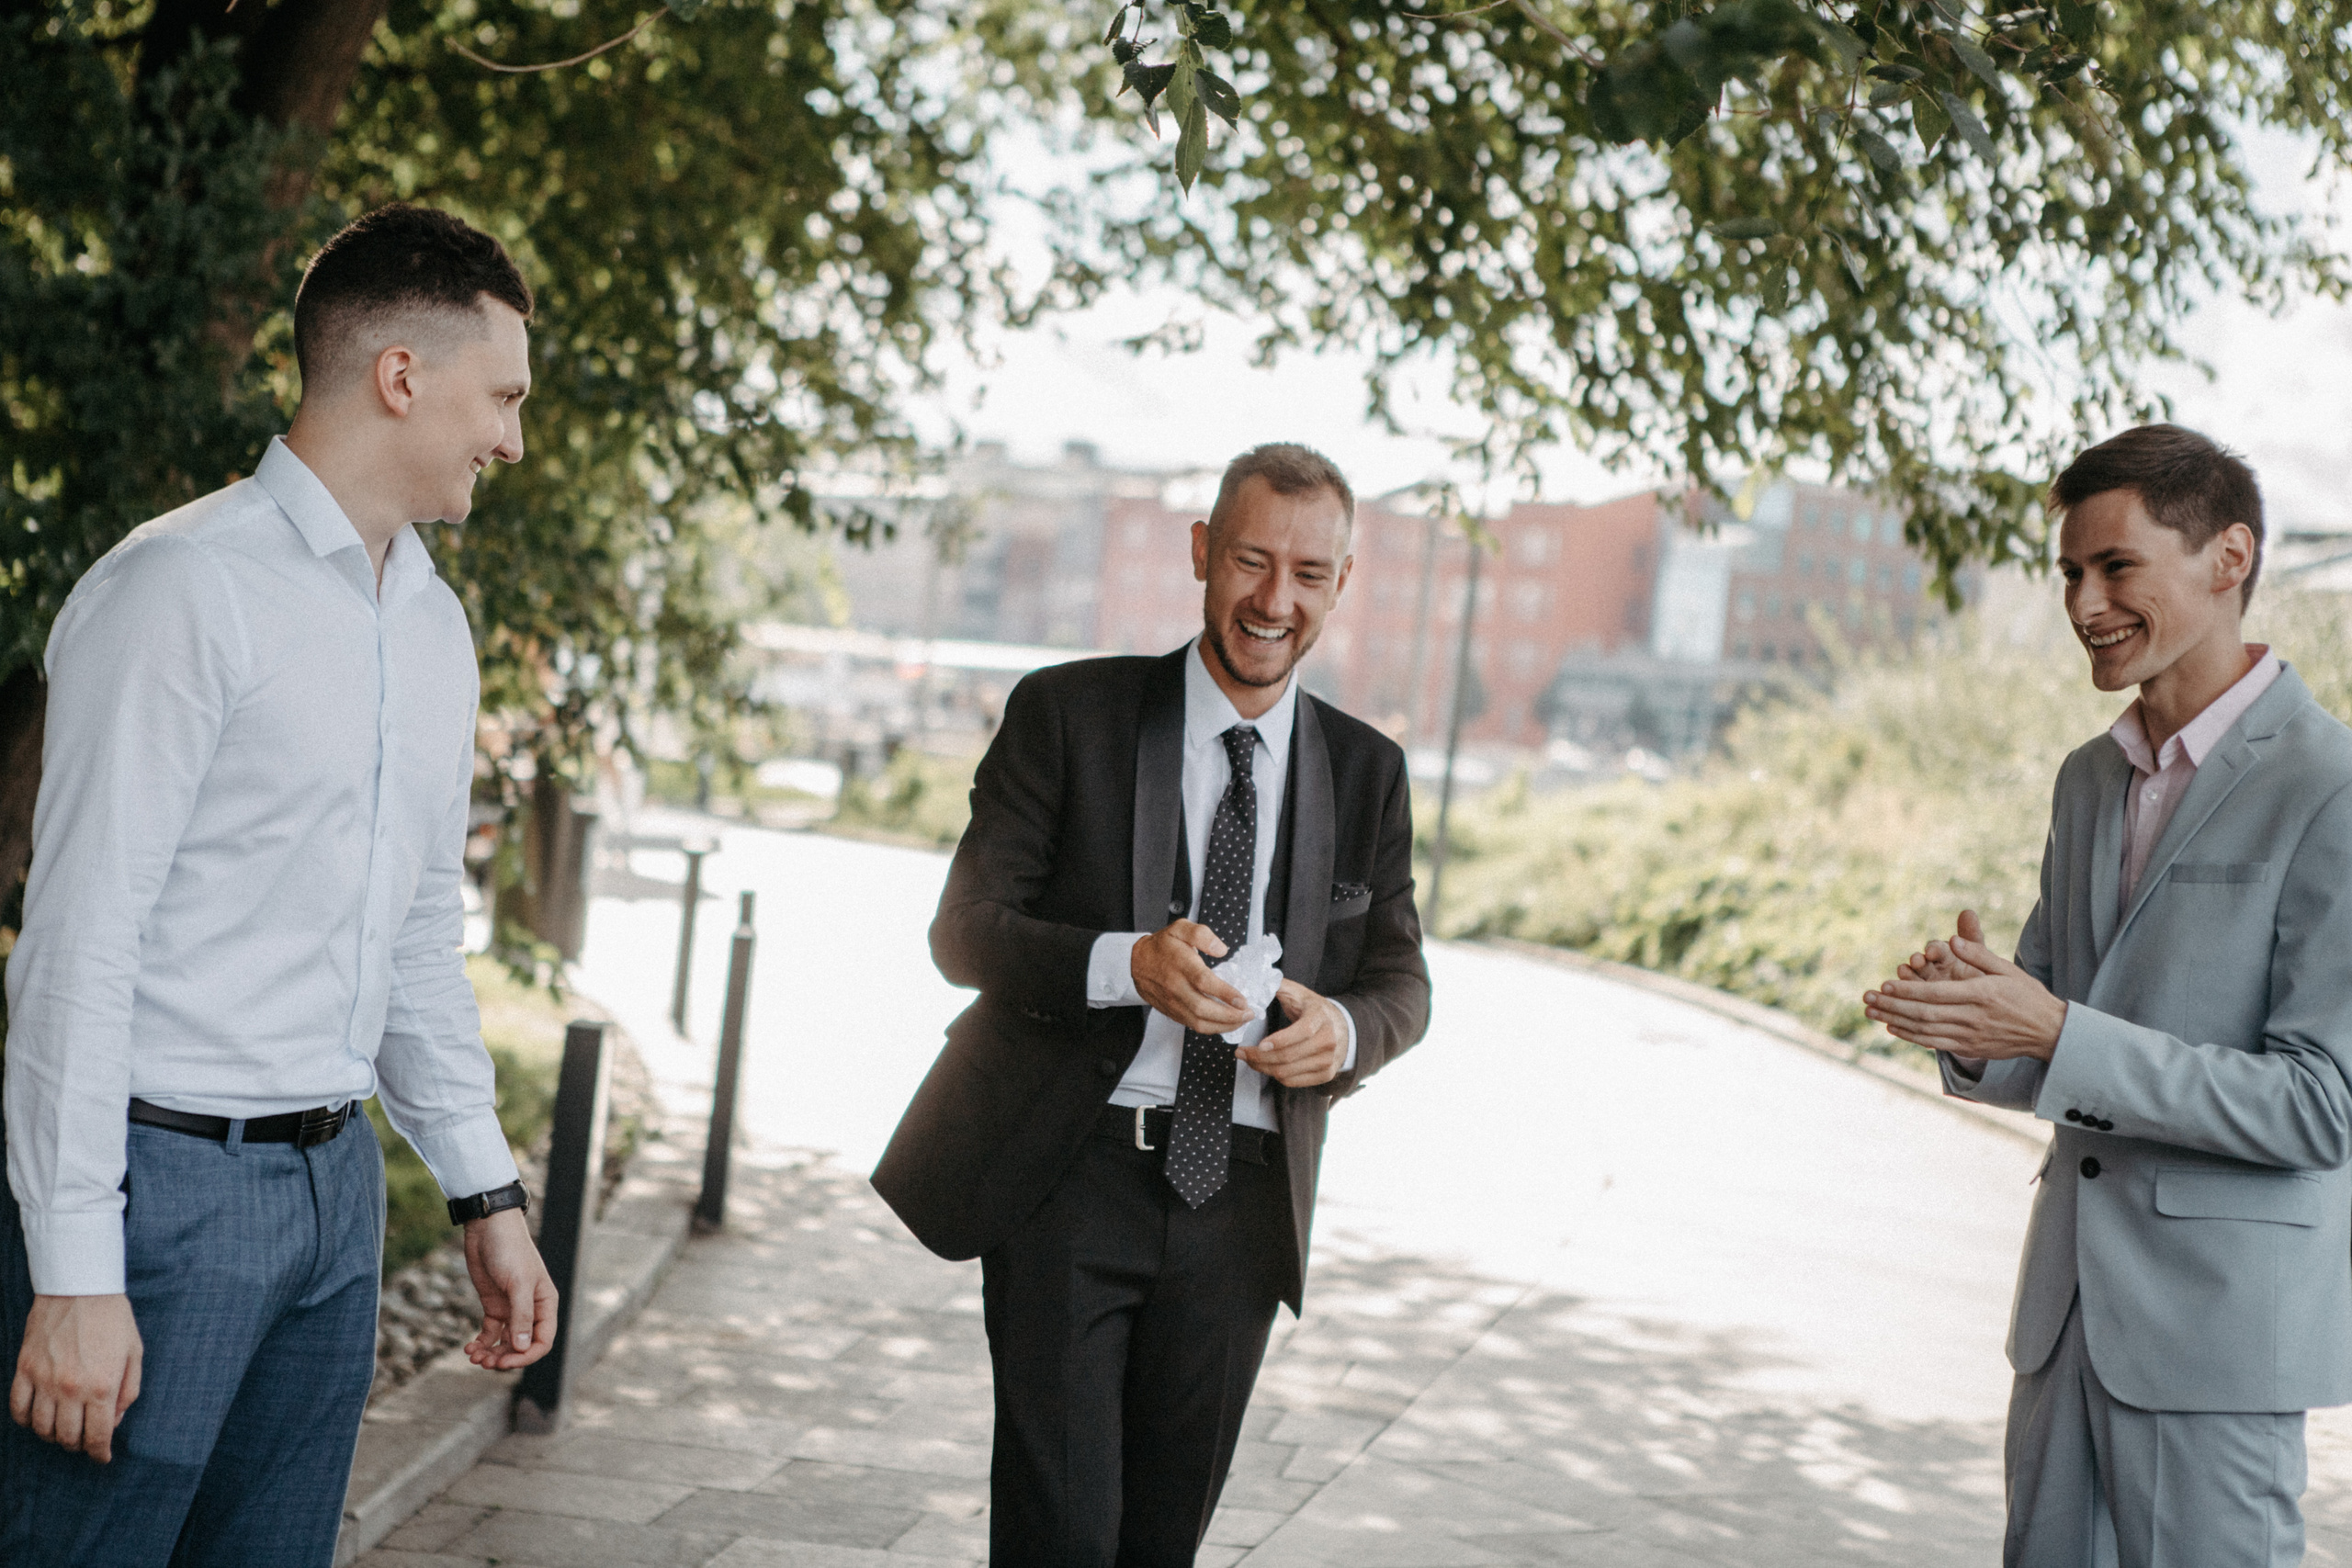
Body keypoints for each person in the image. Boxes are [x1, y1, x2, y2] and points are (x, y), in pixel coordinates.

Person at [2, 204, 558, 1567]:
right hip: (163, 1187)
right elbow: (78, 940)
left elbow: (422, 926)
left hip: (336, 1196)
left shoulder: (430, 619)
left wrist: (485, 1194)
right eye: (503, 395)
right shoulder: (182, 587)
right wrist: (76, 1269)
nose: (514, 438)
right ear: (401, 375)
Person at [874, 443, 1431, 1565]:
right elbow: (964, 931)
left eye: (1308, 575)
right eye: (1250, 561)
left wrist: (1347, 1032)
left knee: (1158, 1547)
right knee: (1060, 1537)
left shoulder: (1367, 771)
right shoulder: (1066, 714)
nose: (1275, 601)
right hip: (1070, 1177)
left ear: (1341, 583)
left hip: (1244, 1204)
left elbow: (1401, 983)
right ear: (1200, 554)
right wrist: (1121, 963)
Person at [1862, 423, 2352, 1568]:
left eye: (2114, 567)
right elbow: (2054, 1027)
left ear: (2228, 558)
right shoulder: (2089, 777)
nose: (2083, 603)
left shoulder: (2329, 786)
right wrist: (1979, 1029)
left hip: (2215, 1336)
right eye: (2068, 575)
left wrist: (2054, 1028)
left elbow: (2319, 1107)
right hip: (2063, 1318)